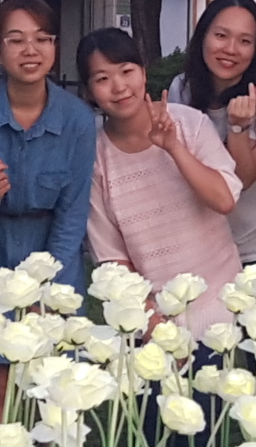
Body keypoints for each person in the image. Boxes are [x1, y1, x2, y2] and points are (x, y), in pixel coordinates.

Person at [0, 0, 97, 348]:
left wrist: (46, 283)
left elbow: (73, 213)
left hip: (53, 254)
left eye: (42, 39)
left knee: (53, 371)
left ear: (55, 47)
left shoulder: (77, 118)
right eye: (16, 40)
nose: (31, 50)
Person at [81, 27, 243, 339]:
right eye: (102, 79)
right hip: (152, 323)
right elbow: (111, 257)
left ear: (143, 73)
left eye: (126, 71)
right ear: (89, 91)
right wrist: (154, 325)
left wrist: (173, 147)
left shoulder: (190, 123)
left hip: (219, 309)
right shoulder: (96, 158)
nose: (119, 86)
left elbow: (224, 200)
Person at [166, 0, 256, 276]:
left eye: (245, 41)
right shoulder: (182, 89)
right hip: (201, 246)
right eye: (221, 36)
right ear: (203, 36)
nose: (230, 49)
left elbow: (242, 181)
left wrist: (238, 127)